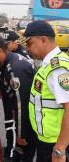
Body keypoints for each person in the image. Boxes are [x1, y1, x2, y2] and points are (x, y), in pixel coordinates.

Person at [0, 35, 37, 162]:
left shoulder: (15, 70)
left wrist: (22, 135)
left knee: (19, 156)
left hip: (23, 127)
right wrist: (2, 88)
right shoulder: (9, 62)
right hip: (15, 120)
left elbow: (22, 105)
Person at [22, 21, 69, 162]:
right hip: (46, 139)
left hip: (54, 142)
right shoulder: (47, 64)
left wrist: (60, 148)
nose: (27, 48)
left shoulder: (57, 68)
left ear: (43, 40)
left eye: (30, 44)